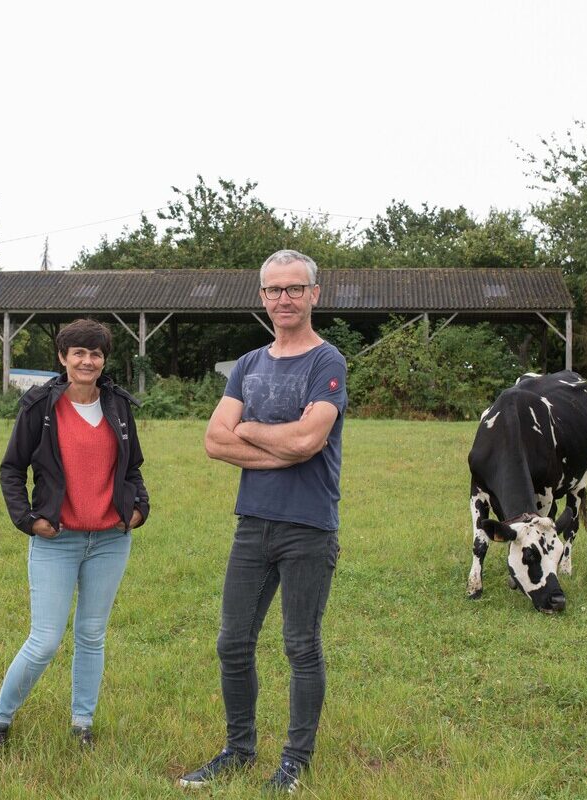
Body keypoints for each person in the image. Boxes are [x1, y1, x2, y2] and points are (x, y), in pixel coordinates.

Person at [180, 250, 347, 793]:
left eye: (295, 288)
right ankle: (238, 748)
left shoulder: (327, 363)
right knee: (233, 641)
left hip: (308, 526)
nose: (284, 299)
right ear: (262, 298)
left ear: (314, 294)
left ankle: (296, 761)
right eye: (274, 290)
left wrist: (248, 428)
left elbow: (308, 439)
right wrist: (281, 443)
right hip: (253, 523)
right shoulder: (250, 364)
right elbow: (213, 440)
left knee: (300, 644)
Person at [0, 318, 149, 752]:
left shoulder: (118, 405)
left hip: (110, 540)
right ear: (63, 357)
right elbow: (12, 469)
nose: (87, 361)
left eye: (95, 354)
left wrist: (138, 509)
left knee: (92, 635)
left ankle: (82, 724)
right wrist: (27, 519)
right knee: (45, 640)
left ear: (103, 360)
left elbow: (132, 468)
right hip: (57, 540)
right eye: (78, 353)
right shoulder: (39, 407)